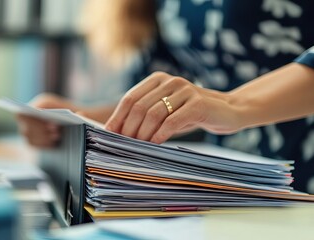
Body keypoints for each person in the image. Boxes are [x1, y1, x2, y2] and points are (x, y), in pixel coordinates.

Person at [17, 0, 314, 193]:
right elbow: (166, 98)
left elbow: (215, 101)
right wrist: (74, 119)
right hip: (231, 186)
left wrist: (232, 104)